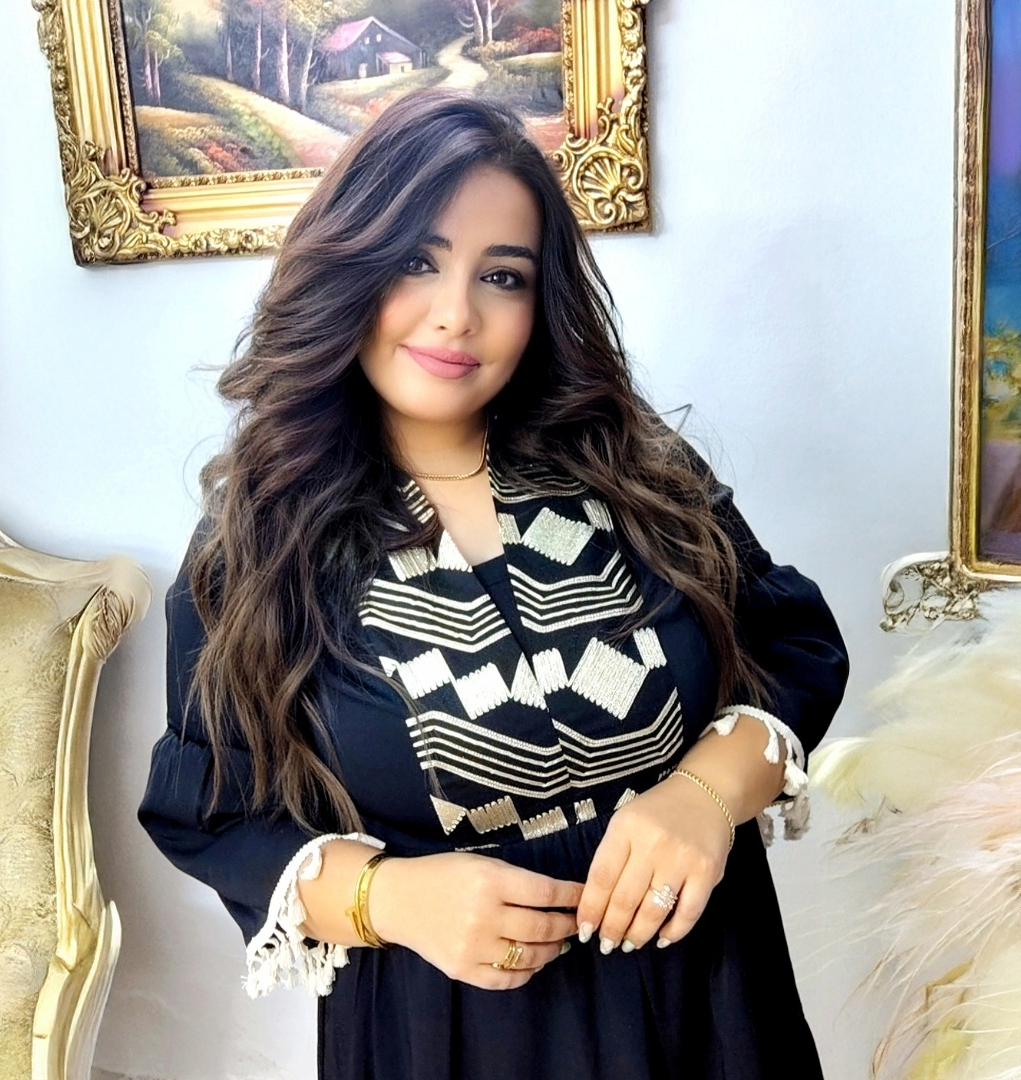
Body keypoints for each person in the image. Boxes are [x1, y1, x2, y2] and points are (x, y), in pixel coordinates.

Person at [139, 88, 849, 1080]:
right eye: (416, 261)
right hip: (453, 1035)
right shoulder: (258, 545)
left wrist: (702, 793)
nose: (456, 314)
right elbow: (211, 809)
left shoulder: (635, 470)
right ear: (347, 266)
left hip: (711, 1009)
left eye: (502, 276)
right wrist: (388, 897)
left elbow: (788, 648)